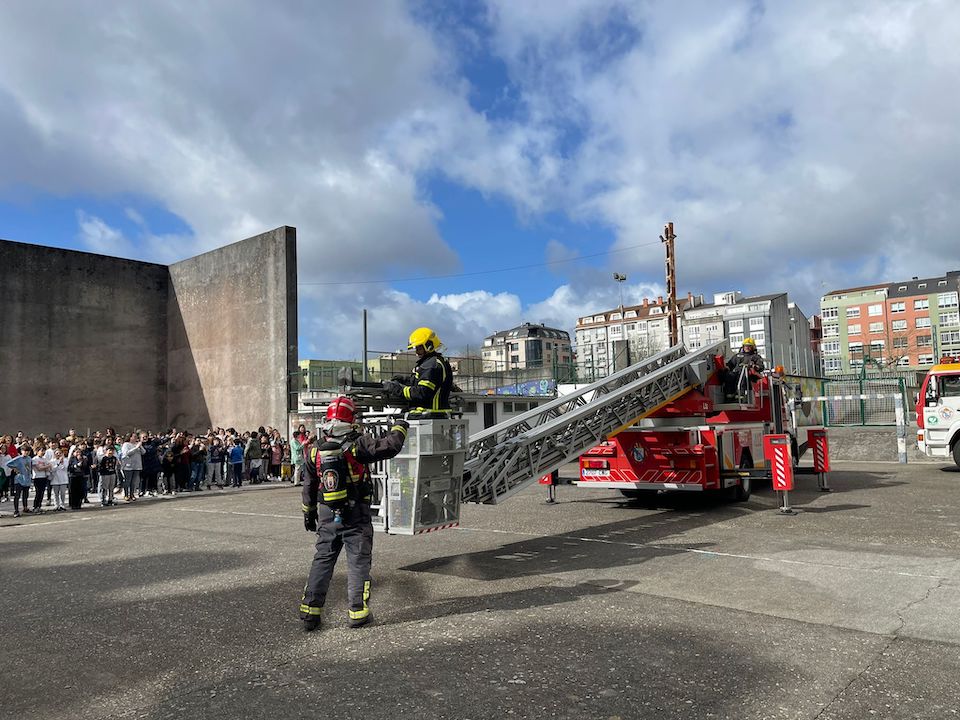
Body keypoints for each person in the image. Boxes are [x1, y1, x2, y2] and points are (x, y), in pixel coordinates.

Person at [299, 396, 408, 632]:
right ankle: (357, 611)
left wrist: (308, 512)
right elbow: (391, 445)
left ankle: (310, 612)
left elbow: (308, 483)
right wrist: (401, 424)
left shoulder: (315, 448)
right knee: (358, 561)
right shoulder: (358, 444)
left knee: (323, 559)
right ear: (352, 419)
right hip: (356, 512)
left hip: (326, 512)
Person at [382, 327, 454, 418]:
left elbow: (422, 392)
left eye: (419, 348)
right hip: (430, 414)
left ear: (429, 345)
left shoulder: (431, 365)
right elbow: (420, 382)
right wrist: (404, 380)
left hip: (431, 414)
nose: (416, 352)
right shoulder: (431, 362)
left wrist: (397, 390)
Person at [120, 432, 144, 502]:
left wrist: (140, 446)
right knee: (127, 481)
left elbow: (143, 452)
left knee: (133, 482)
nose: (136, 438)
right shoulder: (126, 444)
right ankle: (126, 495)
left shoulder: (137, 444)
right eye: (134, 436)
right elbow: (127, 453)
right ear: (130, 437)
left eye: (136, 437)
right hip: (128, 466)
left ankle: (132, 494)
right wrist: (136, 448)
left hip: (137, 466)